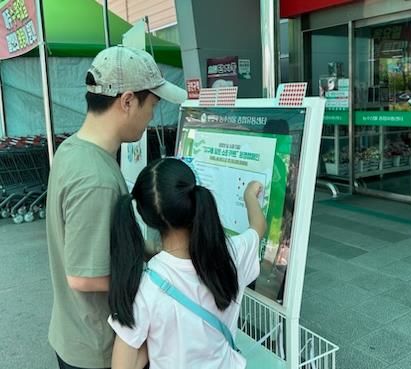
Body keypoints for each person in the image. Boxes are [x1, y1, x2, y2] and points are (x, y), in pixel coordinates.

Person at [46, 45, 187, 369]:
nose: (152, 115)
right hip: (96, 348)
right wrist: (162, 279)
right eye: (152, 104)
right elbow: (84, 276)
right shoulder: (94, 179)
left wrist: (150, 251)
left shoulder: (72, 149)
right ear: (127, 101)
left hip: (73, 331)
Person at [108, 158, 266, 369]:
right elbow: (259, 227)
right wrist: (249, 195)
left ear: (147, 218)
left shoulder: (147, 287)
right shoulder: (231, 254)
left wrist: (151, 340)